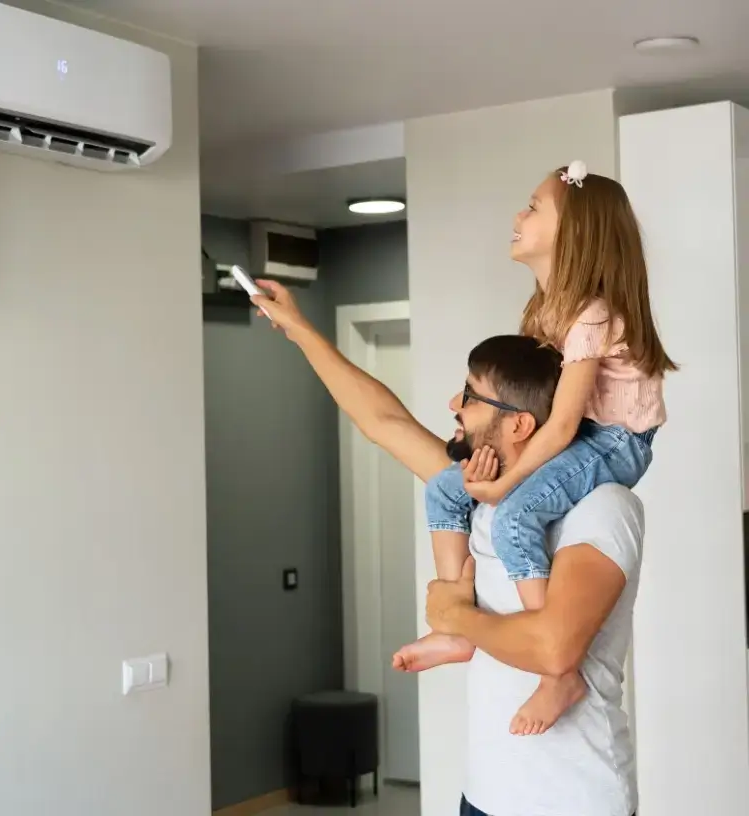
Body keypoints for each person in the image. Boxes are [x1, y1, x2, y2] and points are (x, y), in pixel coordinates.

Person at [250, 283, 641, 816]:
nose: (454, 405)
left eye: (472, 397)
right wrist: (298, 328)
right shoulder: (485, 492)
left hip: (570, 800)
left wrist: (456, 616)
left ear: (520, 424)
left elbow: (553, 649)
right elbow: (383, 422)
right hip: (484, 794)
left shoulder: (602, 506)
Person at [395, 159, 673, 737]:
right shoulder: (544, 310)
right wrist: (467, 423)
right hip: (573, 433)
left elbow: (566, 421)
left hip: (614, 441)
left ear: (572, 234)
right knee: (448, 489)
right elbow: (526, 399)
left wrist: (502, 484)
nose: (518, 217)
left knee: (515, 515)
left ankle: (558, 674)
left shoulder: (591, 314)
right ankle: (455, 620)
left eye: (532, 207)